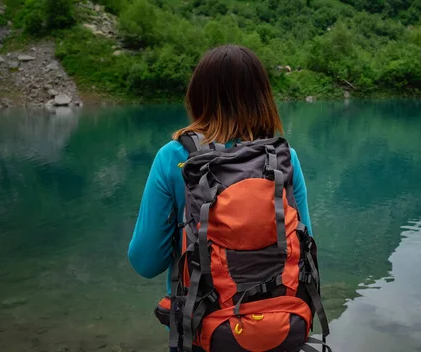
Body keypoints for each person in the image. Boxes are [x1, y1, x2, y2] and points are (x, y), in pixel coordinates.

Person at [127, 45, 314, 352]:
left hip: (204, 334)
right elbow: (305, 248)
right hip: (281, 330)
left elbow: (146, 261)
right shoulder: (284, 159)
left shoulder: (174, 158)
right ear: (263, 96)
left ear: (197, 95)